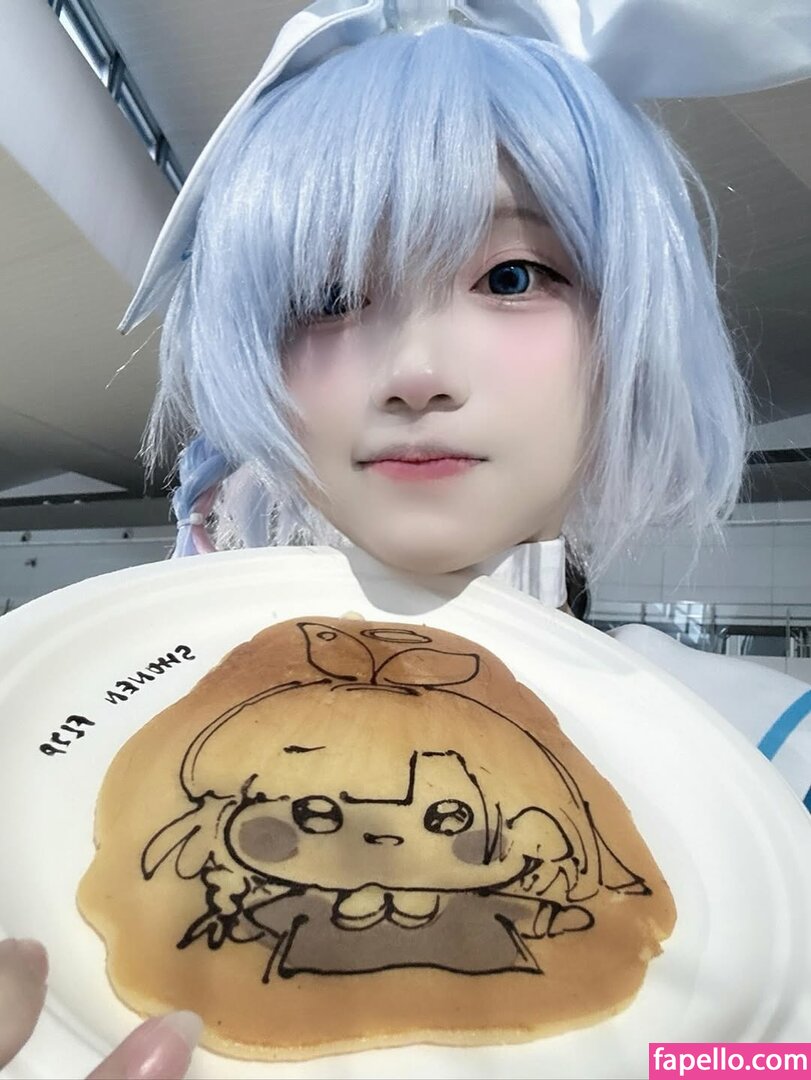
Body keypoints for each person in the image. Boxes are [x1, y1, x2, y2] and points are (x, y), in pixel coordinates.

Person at [5, 2, 810, 1076]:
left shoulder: (767, 765)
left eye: (511, 277)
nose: (416, 372)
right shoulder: (36, 723)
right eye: (329, 295)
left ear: (631, 321)